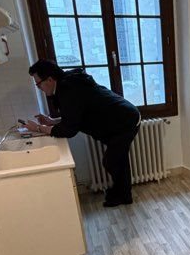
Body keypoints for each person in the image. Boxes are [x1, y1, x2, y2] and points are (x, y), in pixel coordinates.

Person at [24, 61, 141, 207]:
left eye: (38, 84)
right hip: (118, 120)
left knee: (112, 161)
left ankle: (123, 195)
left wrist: (38, 128)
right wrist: (52, 122)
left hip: (125, 121)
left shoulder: (68, 90)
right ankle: (122, 194)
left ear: (49, 79)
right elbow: (74, 117)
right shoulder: (68, 84)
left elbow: (69, 130)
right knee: (117, 160)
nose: (39, 87)